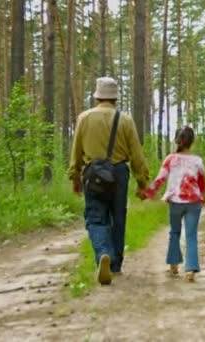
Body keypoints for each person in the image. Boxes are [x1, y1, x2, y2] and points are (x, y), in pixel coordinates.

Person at [68, 77, 149, 285]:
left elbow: (76, 151)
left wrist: (75, 176)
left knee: (95, 218)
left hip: (93, 174)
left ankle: (103, 253)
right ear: (115, 98)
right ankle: (115, 265)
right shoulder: (126, 120)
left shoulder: (84, 118)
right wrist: (142, 182)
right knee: (118, 218)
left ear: (97, 96)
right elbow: (137, 154)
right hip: (119, 173)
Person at [140, 126, 205, 282]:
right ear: (192, 142)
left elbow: (160, 180)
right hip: (193, 202)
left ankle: (174, 265)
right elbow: (202, 183)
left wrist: (148, 193)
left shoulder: (170, 159)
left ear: (178, 140)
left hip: (175, 202)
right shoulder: (197, 161)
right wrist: (203, 198)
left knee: (174, 232)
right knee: (191, 236)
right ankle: (190, 270)